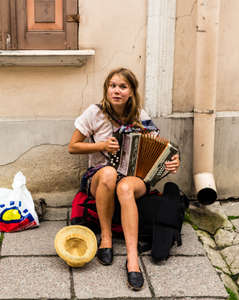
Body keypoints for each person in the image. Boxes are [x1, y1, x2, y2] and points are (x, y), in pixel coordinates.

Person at [68, 67, 180, 291]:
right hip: (100, 175)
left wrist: (172, 161)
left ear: (131, 92)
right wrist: (101, 145)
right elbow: (72, 146)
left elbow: (160, 150)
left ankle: (132, 260)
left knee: (126, 186)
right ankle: (106, 239)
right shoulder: (95, 113)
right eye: (112, 85)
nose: (116, 91)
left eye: (122, 86)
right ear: (106, 88)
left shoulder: (140, 115)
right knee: (110, 173)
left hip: (132, 176)